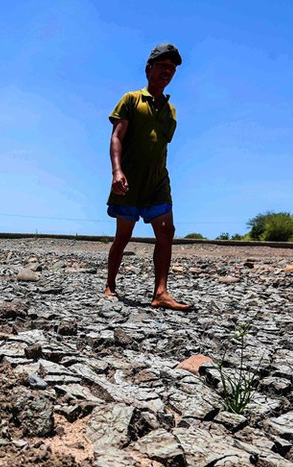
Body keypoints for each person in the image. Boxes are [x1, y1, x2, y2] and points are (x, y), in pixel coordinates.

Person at [104, 43, 191, 311]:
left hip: (158, 182)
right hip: (130, 179)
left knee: (167, 232)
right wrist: (117, 171)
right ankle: (110, 284)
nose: (168, 72)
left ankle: (161, 292)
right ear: (149, 69)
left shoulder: (171, 111)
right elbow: (117, 136)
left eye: (172, 69)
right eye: (163, 66)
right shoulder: (131, 99)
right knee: (123, 236)